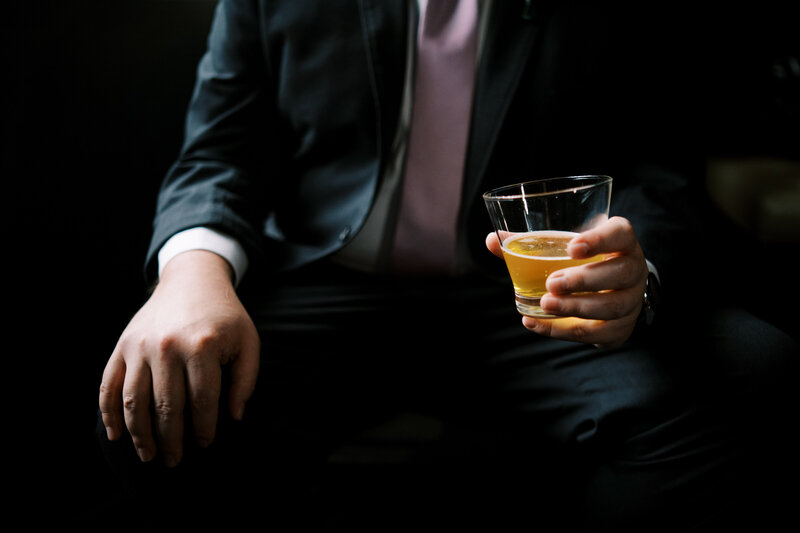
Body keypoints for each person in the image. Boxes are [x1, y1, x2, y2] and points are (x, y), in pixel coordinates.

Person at [97, 1, 797, 531]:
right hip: (328, 281)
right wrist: (190, 273)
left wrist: (633, 272)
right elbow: (221, 148)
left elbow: (656, 161)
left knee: (763, 372)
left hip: (529, 297)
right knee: (147, 399)